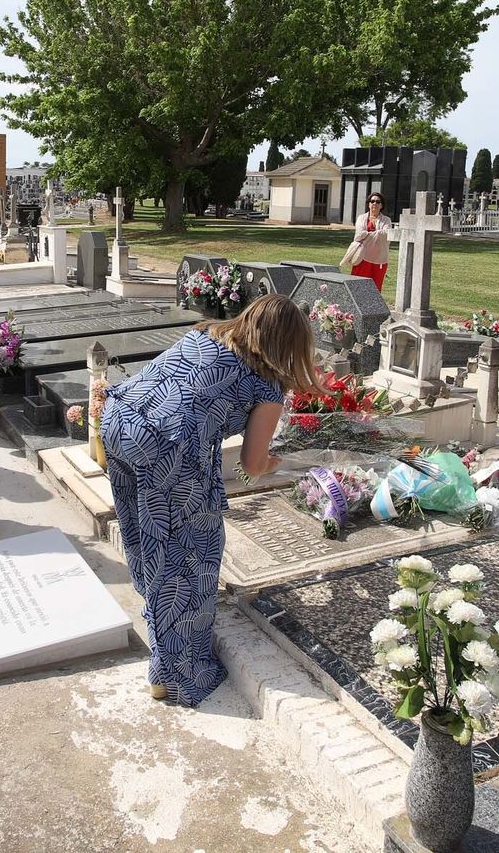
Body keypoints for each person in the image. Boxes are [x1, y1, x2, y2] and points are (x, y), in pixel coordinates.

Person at [102, 294, 320, 706]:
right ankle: (176, 675)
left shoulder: (206, 334)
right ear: (290, 345)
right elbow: (253, 464)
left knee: (148, 538)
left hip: (119, 419)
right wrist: (285, 463)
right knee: (192, 558)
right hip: (169, 449)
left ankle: (159, 634)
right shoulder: (267, 385)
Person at [345, 193, 392, 291]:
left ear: (381, 205)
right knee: (357, 287)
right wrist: (376, 234)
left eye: (378, 202)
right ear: (368, 204)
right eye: (372, 201)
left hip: (379, 259)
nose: (375, 203)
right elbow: (358, 236)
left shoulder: (386, 220)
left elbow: (386, 235)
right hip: (362, 258)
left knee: (375, 289)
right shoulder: (361, 218)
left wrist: (367, 234)